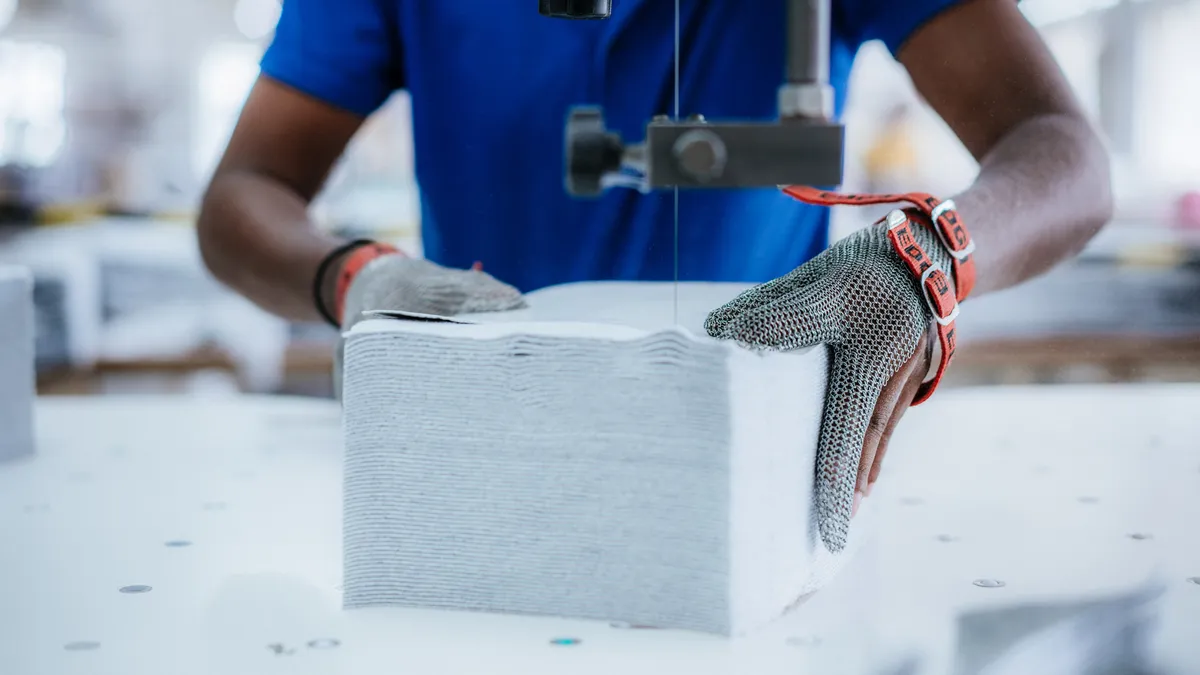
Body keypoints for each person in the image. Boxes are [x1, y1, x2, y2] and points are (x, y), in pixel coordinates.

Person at [197, 0, 1112, 551]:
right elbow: (244, 192)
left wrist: (926, 261)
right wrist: (350, 276)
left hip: (766, 482)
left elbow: (1065, 155)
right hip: (483, 479)